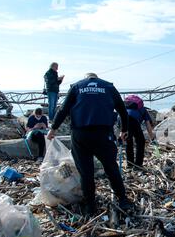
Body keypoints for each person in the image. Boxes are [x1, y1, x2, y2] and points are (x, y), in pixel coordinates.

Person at [47, 73, 133, 216]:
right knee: (111, 167)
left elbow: (63, 109)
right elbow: (122, 110)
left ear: (86, 78)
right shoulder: (109, 87)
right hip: (104, 134)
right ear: (96, 78)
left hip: (81, 134)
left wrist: (53, 129)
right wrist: (124, 131)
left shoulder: (76, 87)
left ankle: (91, 207)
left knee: (86, 173)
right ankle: (122, 199)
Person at [124, 95, 155, 168]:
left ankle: (130, 164)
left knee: (129, 141)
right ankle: (138, 164)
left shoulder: (126, 107)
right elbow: (148, 125)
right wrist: (152, 138)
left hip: (122, 119)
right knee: (141, 141)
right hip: (133, 120)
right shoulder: (143, 110)